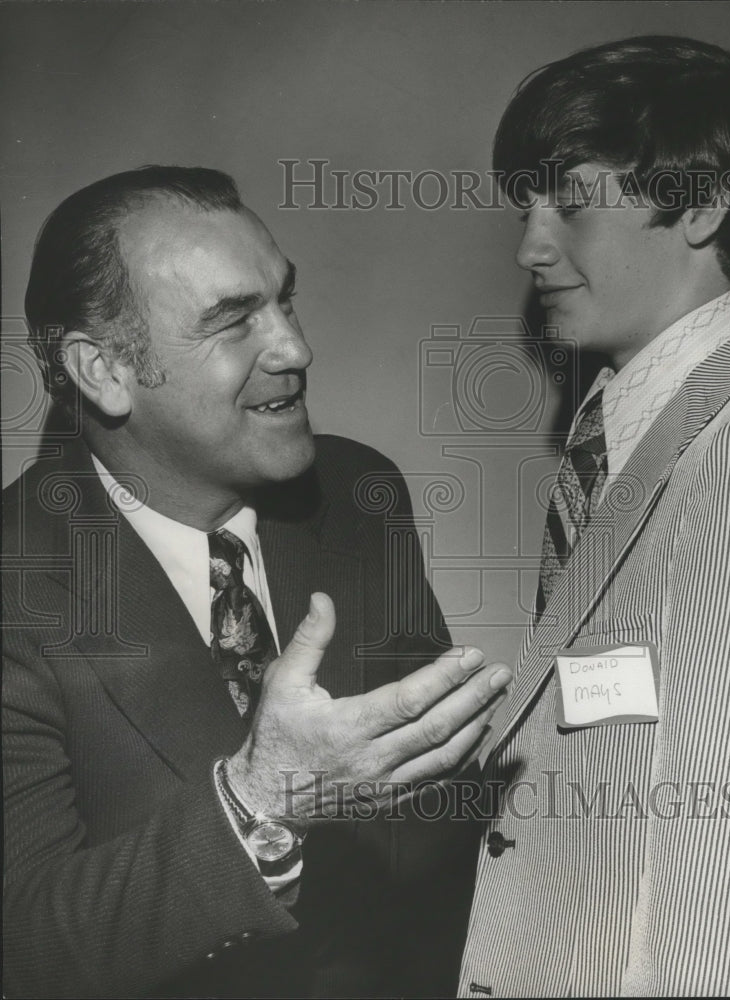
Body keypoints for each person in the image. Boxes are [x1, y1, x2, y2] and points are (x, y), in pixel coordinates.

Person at [2, 166, 513, 999]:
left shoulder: (358, 493)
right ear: (101, 370)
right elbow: (24, 948)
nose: (295, 349)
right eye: (233, 321)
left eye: (285, 301)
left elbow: (429, 830)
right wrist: (260, 802)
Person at [459, 36, 730, 997]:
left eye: (569, 201)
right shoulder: (623, 437)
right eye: (526, 206)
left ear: (702, 203)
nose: (531, 246)